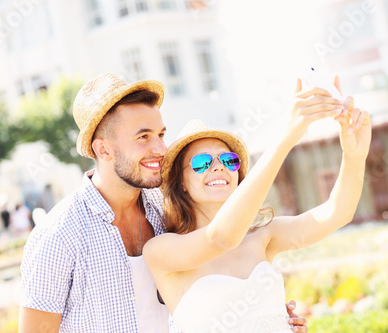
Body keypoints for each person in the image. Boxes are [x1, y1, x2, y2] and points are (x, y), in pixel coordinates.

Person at [19, 73, 309, 332]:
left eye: (160, 134)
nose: (159, 148)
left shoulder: (166, 204)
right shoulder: (58, 235)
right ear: (103, 149)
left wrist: (263, 317)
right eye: (143, 137)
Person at [143, 78, 372, 332]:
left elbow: (337, 213)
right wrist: (285, 139)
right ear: (182, 182)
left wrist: (354, 155)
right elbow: (220, 238)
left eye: (229, 160)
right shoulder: (161, 251)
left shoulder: (264, 236)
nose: (218, 166)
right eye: (201, 162)